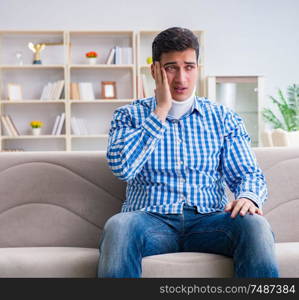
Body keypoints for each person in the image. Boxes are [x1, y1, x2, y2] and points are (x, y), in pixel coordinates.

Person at [97, 27, 279, 278]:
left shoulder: (223, 118)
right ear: (155, 70)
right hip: (150, 221)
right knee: (118, 225)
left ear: (198, 69)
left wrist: (248, 197)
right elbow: (123, 168)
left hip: (211, 222)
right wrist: (160, 110)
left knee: (255, 225)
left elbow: (248, 174)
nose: (181, 78)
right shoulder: (128, 116)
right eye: (171, 67)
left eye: (189, 67)